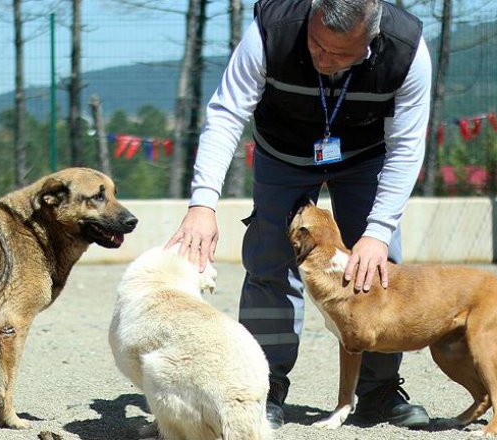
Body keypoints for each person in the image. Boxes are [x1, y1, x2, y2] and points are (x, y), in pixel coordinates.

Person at [165, 0, 433, 430]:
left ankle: (378, 391)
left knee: (377, 265)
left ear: (370, 39)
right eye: (316, 44)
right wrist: (202, 203)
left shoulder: (407, 48)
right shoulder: (272, 29)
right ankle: (263, 386)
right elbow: (227, 113)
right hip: (282, 152)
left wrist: (378, 232)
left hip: (366, 156)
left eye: (340, 53)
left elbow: (407, 145)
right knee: (269, 260)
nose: (323, 59)